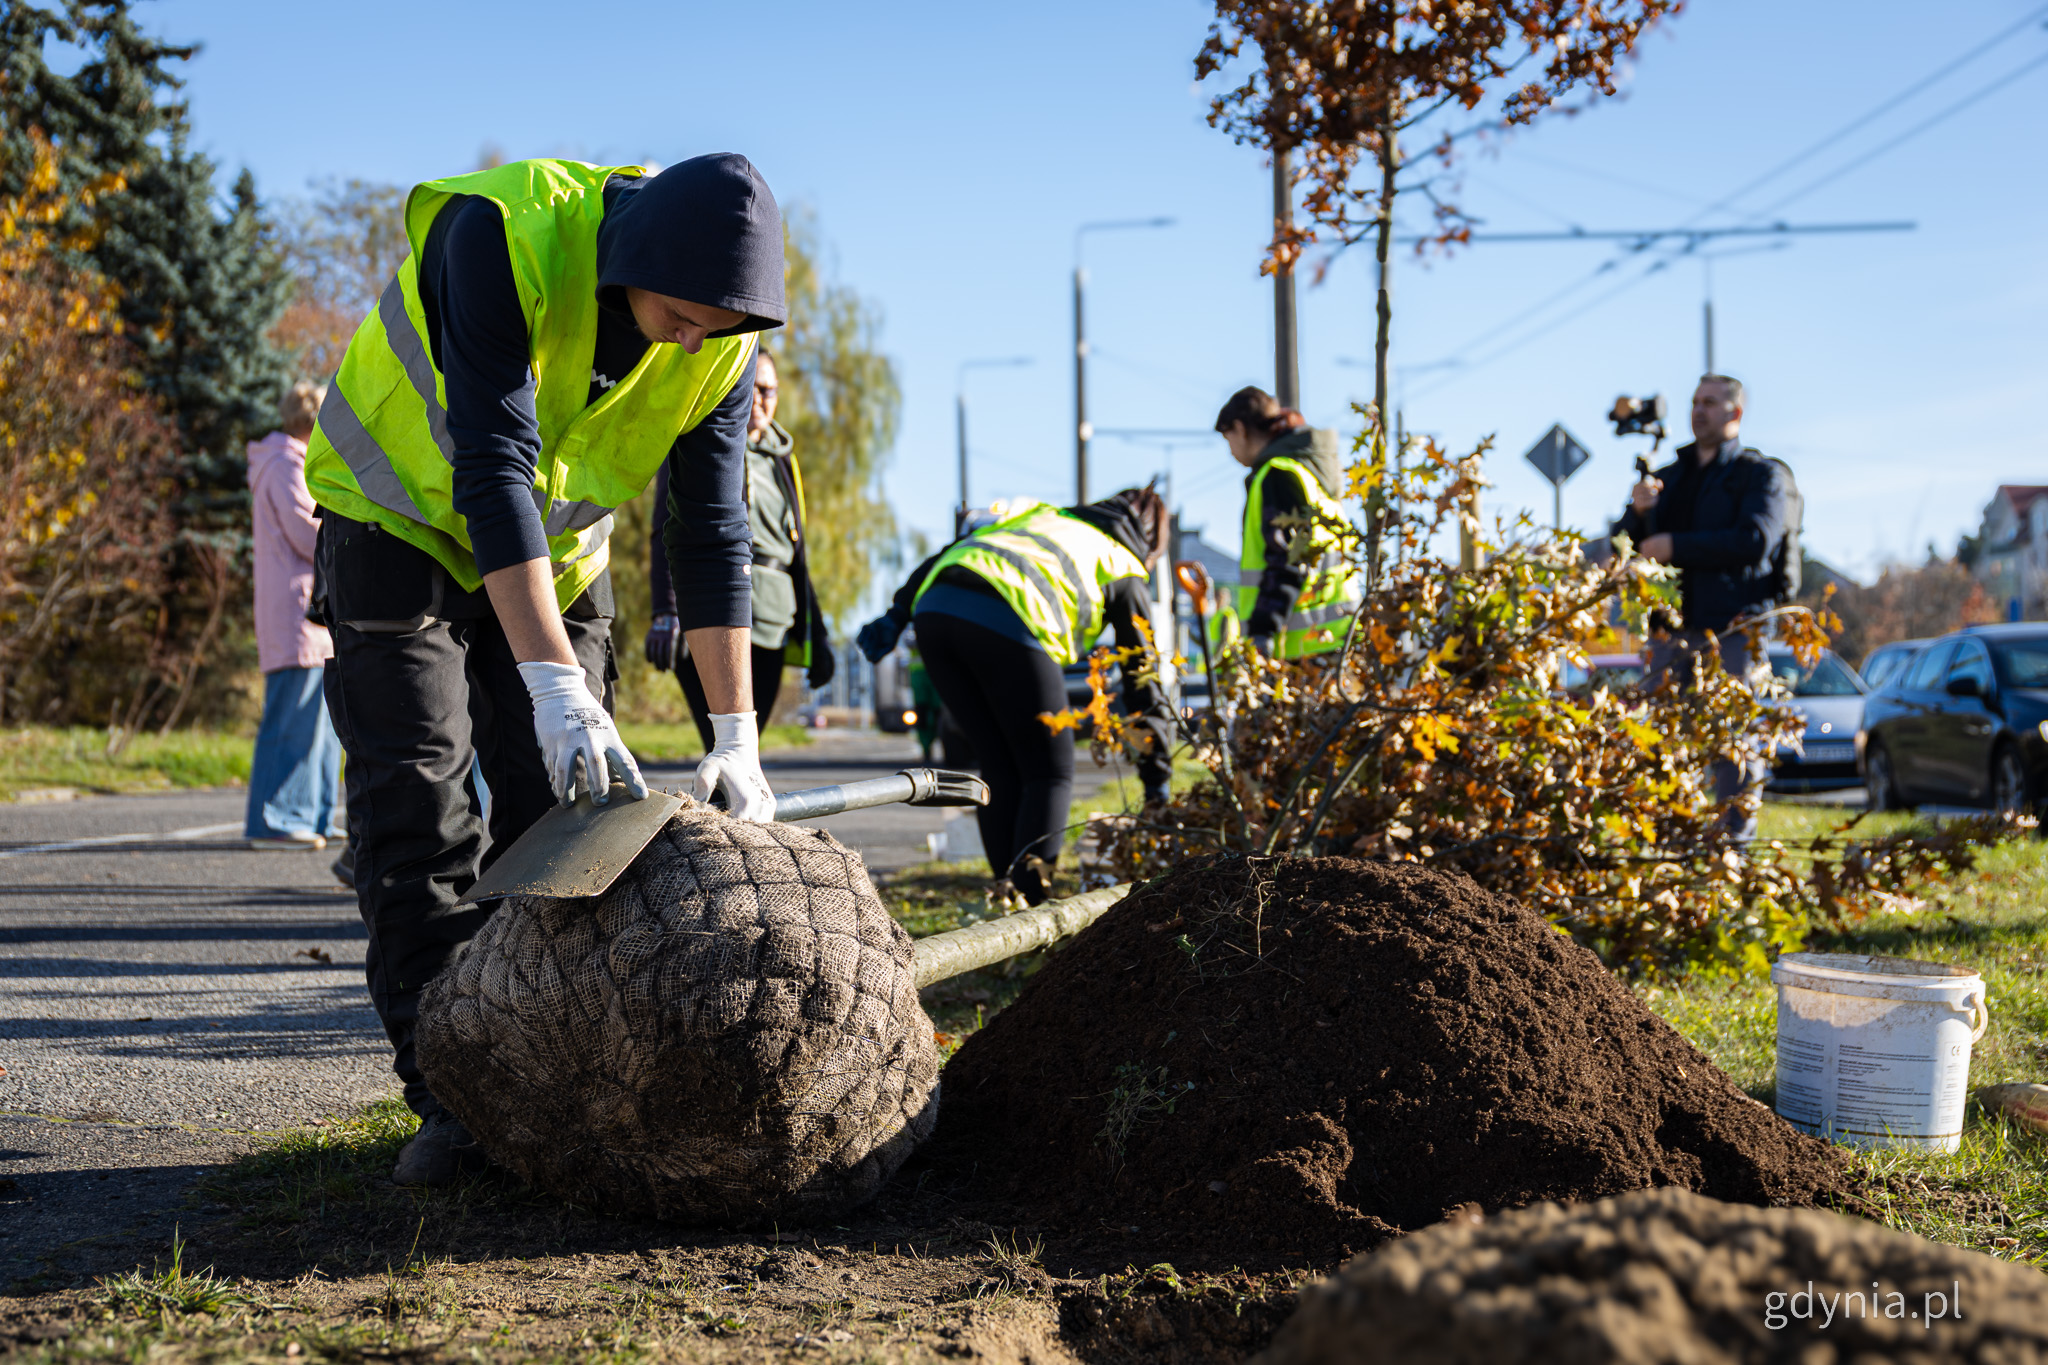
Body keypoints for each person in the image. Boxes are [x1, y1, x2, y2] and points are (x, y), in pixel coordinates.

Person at [303, 154, 785, 1185]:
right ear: (633, 262)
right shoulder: (499, 234)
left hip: (555, 555)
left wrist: (734, 737)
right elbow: (492, 465)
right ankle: (452, 1098)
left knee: (565, 823)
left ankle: (550, 1073)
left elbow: (705, 535)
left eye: (722, 328)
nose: (698, 340)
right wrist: (556, 688)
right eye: (683, 314)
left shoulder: (720, 346)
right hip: (398, 515)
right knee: (421, 803)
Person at [855, 490, 1173, 905]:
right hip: (1008, 619)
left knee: (998, 764)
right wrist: (1157, 783)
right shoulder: (1119, 562)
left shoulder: (1040, 518)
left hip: (936, 614)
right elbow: (1141, 678)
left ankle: (1007, 899)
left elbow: (952, 551)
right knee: (1049, 772)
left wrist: (898, 614)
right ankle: (1030, 910)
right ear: (1150, 541)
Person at [1611, 373, 1795, 830]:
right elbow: (1628, 547)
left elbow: (1755, 540)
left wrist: (1679, 546)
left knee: (1732, 743)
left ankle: (1730, 852)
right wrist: (1635, 513)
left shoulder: (1760, 475)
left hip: (1733, 629)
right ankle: (1672, 849)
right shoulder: (1670, 478)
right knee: (1661, 741)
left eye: (1710, 402)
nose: (1699, 410)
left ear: (1735, 412)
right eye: (1695, 401)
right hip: (1669, 631)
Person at [644, 348, 832, 745]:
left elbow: (797, 555)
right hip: (716, 607)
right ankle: (715, 809)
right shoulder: (701, 442)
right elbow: (666, 528)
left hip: (773, 620)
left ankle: (724, 808)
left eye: (769, 390)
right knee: (724, 742)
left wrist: (820, 637)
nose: (760, 399)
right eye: (752, 388)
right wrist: (665, 611)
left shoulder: (784, 461)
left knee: (748, 744)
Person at [245, 381, 347, 850]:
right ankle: (278, 819)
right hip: (295, 612)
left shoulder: (283, 461)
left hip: (304, 613)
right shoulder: (287, 464)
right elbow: (309, 536)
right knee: (294, 718)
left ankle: (315, 814)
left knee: (318, 725)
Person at [1213, 387, 1360, 658]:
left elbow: (1287, 560)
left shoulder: (1278, 475)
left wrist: (1263, 630)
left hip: (1304, 647)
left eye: (1228, 438)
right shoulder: (1312, 475)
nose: (1231, 451)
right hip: (1337, 635)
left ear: (1240, 428)